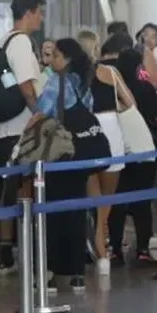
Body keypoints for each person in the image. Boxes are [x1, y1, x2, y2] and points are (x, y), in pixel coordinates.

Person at [0, 0, 47, 275]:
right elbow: (28, 87)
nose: (42, 17)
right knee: (26, 189)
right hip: (23, 127)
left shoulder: (3, 41)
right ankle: (27, 250)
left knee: (9, 189)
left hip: (5, 128)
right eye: (40, 11)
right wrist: (41, 116)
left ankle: (6, 252)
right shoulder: (22, 43)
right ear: (29, 12)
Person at [39, 38, 95, 292]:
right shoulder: (83, 82)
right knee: (76, 212)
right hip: (81, 153)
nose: (52, 61)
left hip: (57, 154)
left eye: (57, 56)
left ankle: (49, 272)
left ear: (67, 58)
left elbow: (42, 112)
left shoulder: (55, 81)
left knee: (51, 214)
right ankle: (77, 273)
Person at [112, 47, 157, 264]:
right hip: (144, 149)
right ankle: (143, 249)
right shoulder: (144, 87)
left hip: (119, 150)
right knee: (143, 201)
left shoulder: (113, 88)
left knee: (117, 201)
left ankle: (115, 249)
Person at [88, 35, 136, 274]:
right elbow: (130, 102)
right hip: (110, 129)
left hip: (85, 132)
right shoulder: (110, 72)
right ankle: (101, 239)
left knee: (92, 191)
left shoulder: (72, 76)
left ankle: (98, 244)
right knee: (108, 193)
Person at [135, 22, 157, 91]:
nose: (149, 40)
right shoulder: (130, 58)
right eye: (146, 35)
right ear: (139, 37)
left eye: (153, 37)